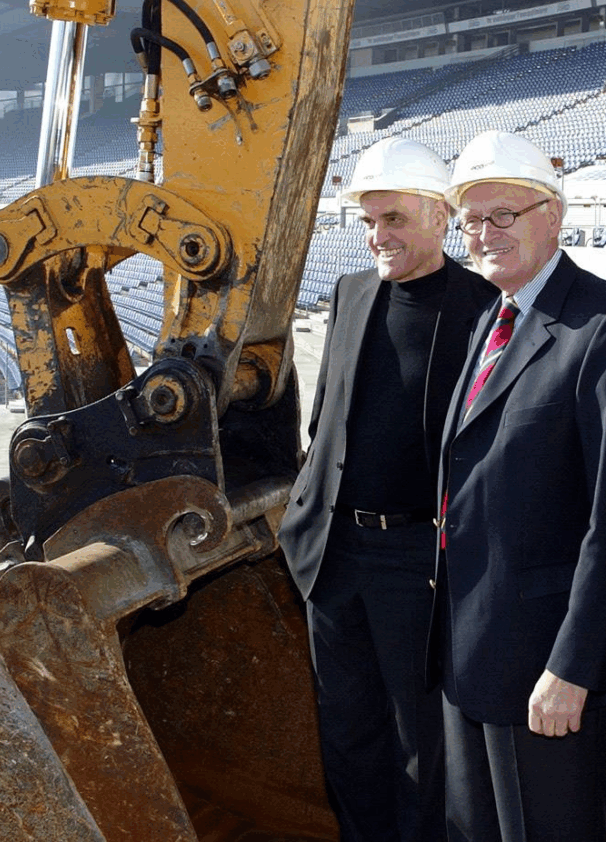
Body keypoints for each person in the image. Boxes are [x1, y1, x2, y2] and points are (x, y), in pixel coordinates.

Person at [279, 137, 497, 842]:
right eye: (370, 222)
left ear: (439, 217)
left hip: (418, 564)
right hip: (335, 556)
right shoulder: (350, 293)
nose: (379, 237)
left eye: (395, 219)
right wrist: (304, 519)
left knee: (418, 746)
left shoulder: (485, 307)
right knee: (346, 735)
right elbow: (325, 416)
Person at [433, 129, 606, 841]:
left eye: (504, 213)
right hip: (471, 656)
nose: (485, 233)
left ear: (554, 213)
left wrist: (572, 666)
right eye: (473, 220)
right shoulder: (492, 317)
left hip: (543, 670)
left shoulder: (594, 327)